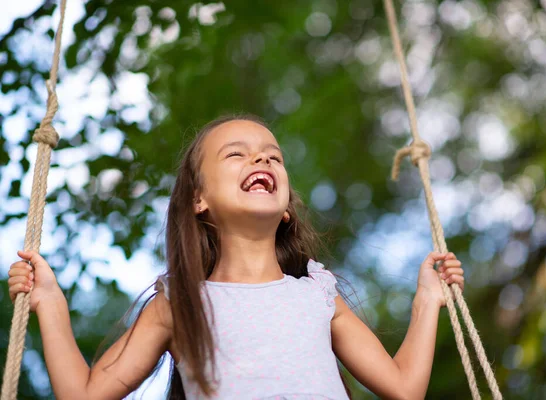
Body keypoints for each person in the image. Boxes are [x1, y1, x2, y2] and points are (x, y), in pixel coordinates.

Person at [8, 114, 465, 400]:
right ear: (198, 199)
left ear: (286, 209)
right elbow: (84, 395)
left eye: (273, 157)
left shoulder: (317, 294)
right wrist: (50, 303)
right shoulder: (179, 304)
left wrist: (427, 301)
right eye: (237, 155)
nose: (262, 162)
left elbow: (404, 388)